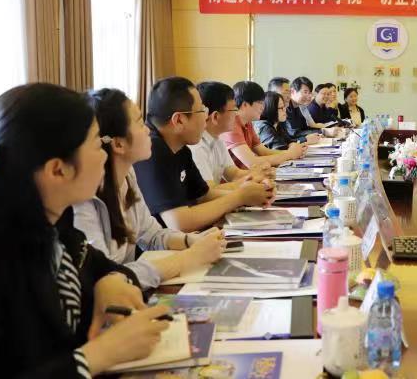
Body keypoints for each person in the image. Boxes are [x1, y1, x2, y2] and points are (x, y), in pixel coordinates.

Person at [0, 83, 171, 377]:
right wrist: (97, 355)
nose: (104, 155)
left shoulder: (50, 220)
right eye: (96, 144)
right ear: (57, 170)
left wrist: (110, 279)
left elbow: (97, 262)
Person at [74, 88, 226, 290]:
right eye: (139, 122)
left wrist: (191, 240)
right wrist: (189, 258)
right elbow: (105, 279)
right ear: (118, 144)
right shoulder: (84, 200)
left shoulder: (128, 175)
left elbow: (152, 235)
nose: (147, 129)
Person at [134, 77, 273, 232]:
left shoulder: (180, 147)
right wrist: (239, 197)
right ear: (179, 120)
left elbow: (204, 196)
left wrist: (253, 192)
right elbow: (180, 223)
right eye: (202, 110)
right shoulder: (153, 151)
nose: (206, 118)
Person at [190, 81, 274, 188]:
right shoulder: (197, 147)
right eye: (234, 109)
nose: (237, 113)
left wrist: (259, 174)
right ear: (215, 117)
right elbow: (209, 191)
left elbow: (234, 174)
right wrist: (252, 180)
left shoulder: (217, 139)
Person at [221, 80, 307, 169]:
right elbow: (252, 162)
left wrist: (293, 153)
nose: (263, 107)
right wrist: (290, 154)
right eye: (260, 103)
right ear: (245, 104)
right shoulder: (232, 124)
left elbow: (263, 151)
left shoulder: (247, 122)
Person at [269, 77, 321, 144]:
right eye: (305, 92)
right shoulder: (281, 111)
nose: (289, 96)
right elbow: (292, 134)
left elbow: (302, 129)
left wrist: (319, 133)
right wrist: (305, 139)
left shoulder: (297, 107)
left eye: (289, 92)